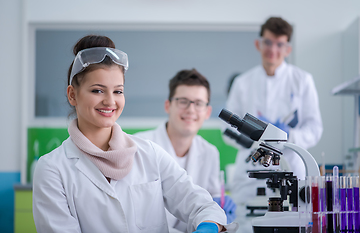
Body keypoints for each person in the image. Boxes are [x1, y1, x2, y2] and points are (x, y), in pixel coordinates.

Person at [32, 35, 238, 233]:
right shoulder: (52, 169)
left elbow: (200, 204)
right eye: (97, 90)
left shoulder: (149, 154)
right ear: (72, 95)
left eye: (118, 91)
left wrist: (208, 224)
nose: (110, 101)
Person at [225, 17, 323, 232]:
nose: (273, 49)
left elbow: (315, 128)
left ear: (288, 48)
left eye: (279, 44)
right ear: (258, 44)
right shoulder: (243, 83)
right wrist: (253, 140)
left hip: (291, 168)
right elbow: (227, 132)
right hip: (251, 173)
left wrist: (288, 138)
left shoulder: (302, 80)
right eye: (268, 42)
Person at [135, 69, 237, 233]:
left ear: (207, 112)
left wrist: (218, 211)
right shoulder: (140, 147)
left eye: (198, 103)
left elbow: (209, 206)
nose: (191, 110)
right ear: (168, 105)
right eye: (183, 101)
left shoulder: (209, 153)